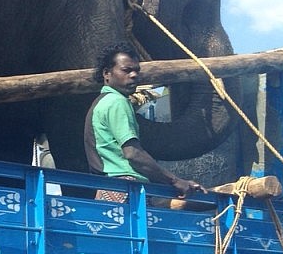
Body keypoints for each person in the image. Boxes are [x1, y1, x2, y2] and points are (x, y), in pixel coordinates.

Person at [84, 42, 204, 202]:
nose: (134, 75)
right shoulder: (117, 102)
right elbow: (133, 153)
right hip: (126, 190)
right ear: (107, 73)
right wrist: (175, 181)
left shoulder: (101, 102)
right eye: (126, 70)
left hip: (108, 189)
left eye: (136, 71)